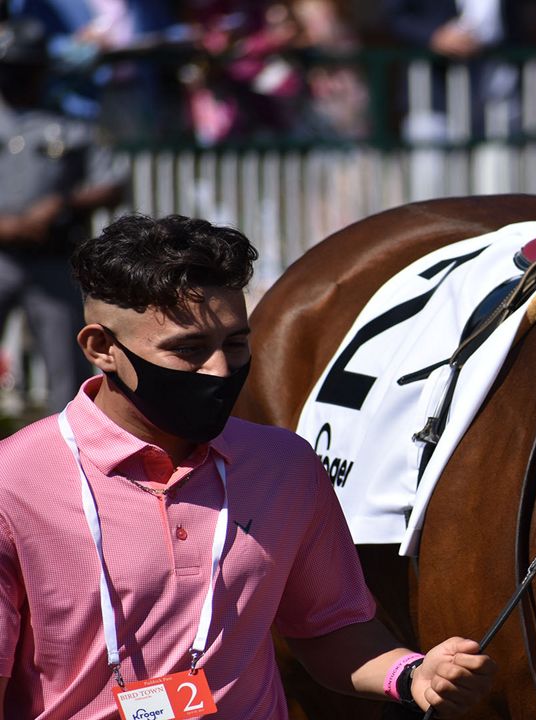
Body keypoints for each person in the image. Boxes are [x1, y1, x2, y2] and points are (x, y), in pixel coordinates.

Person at [0, 214, 495, 718]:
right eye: (188, 350)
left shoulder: (285, 465)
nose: (219, 369)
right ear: (101, 349)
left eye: (234, 343)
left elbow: (331, 627)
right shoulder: (14, 483)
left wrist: (411, 674)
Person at [0, 16, 124, 410]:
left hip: (51, 258)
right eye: (11, 71)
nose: (18, 79)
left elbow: (112, 182)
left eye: (26, 70)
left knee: (67, 370)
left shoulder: (70, 125)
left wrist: (64, 203)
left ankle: (61, 458)